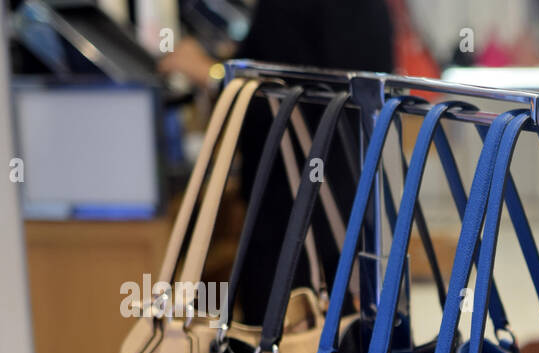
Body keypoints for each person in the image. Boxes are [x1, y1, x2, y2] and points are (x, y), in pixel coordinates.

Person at [160, 0, 395, 324]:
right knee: (342, 326)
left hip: (289, 203)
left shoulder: (285, 8)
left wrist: (208, 72)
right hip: (347, 183)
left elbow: (277, 98)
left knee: (280, 335)